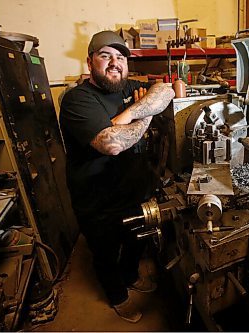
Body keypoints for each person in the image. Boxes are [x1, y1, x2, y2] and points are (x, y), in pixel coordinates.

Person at [59, 30, 175, 323]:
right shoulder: (77, 100)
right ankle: (117, 297)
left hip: (134, 191)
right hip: (97, 200)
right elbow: (111, 143)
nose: (115, 63)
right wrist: (145, 114)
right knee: (105, 254)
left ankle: (131, 276)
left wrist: (129, 115)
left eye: (121, 57)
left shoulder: (129, 87)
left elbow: (166, 89)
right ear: (90, 62)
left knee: (136, 241)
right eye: (105, 55)